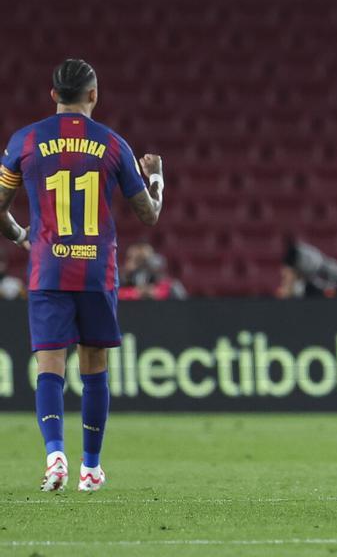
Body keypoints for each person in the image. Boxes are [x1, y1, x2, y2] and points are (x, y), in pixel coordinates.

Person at [0, 58, 163, 492]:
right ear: (93, 95)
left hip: (48, 267)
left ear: (53, 94)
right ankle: (91, 468)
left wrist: (21, 236)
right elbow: (149, 214)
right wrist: (158, 179)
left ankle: (55, 457)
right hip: (96, 271)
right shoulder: (112, 143)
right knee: (95, 368)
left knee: (49, 365)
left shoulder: (25, 140)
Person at [117, 242, 186, 300]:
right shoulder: (118, 283)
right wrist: (136, 293)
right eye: (133, 259)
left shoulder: (172, 287)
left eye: (142, 260)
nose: (140, 266)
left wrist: (154, 293)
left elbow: (184, 306)